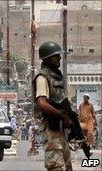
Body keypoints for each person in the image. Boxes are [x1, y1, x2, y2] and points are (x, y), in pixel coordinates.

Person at [34, 41, 72, 170]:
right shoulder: (42, 77)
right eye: (56, 56)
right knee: (56, 167)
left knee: (67, 167)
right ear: (47, 58)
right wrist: (62, 116)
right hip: (51, 128)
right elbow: (42, 103)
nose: (59, 58)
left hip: (60, 130)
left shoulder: (56, 76)